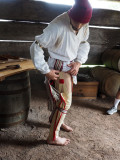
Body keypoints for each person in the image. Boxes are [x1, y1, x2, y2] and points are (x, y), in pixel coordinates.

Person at [30, 0, 92, 146]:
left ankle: (56, 121)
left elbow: (84, 42)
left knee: (63, 102)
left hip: (70, 67)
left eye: (83, 23)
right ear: (71, 13)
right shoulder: (57, 26)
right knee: (64, 103)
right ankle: (53, 137)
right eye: (76, 22)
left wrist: (79, 62)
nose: (79, 26)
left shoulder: (84, 22)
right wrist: (45, 70)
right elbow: (36, 45)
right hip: (57, 68)